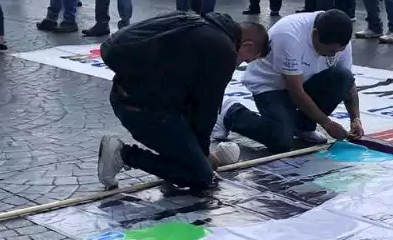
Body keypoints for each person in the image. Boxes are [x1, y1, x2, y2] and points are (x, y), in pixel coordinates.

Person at [96, 12, 269, 191]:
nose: (241, 63)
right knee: (201, 176)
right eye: (247, 60)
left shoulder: (207, 26)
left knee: (192, 160)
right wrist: (203, 155)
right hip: (141, 108)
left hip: (136, 98)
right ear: (247, 46)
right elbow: (206, 111)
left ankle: (177, 161)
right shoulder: (224, 51)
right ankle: (123, 154)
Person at [216, 9, 364, 152]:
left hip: (304, 80)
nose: (333, 55)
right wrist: (327, 123)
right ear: (315, 35)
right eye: (331, 51)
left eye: (338, 51)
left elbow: (349, 84)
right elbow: (296, 91)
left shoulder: (340, 41)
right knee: (280, 140)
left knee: (343, 77)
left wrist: (355, 119)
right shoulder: (289, 35)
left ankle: (303, 127)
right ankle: (231, 113)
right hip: (271, 86)